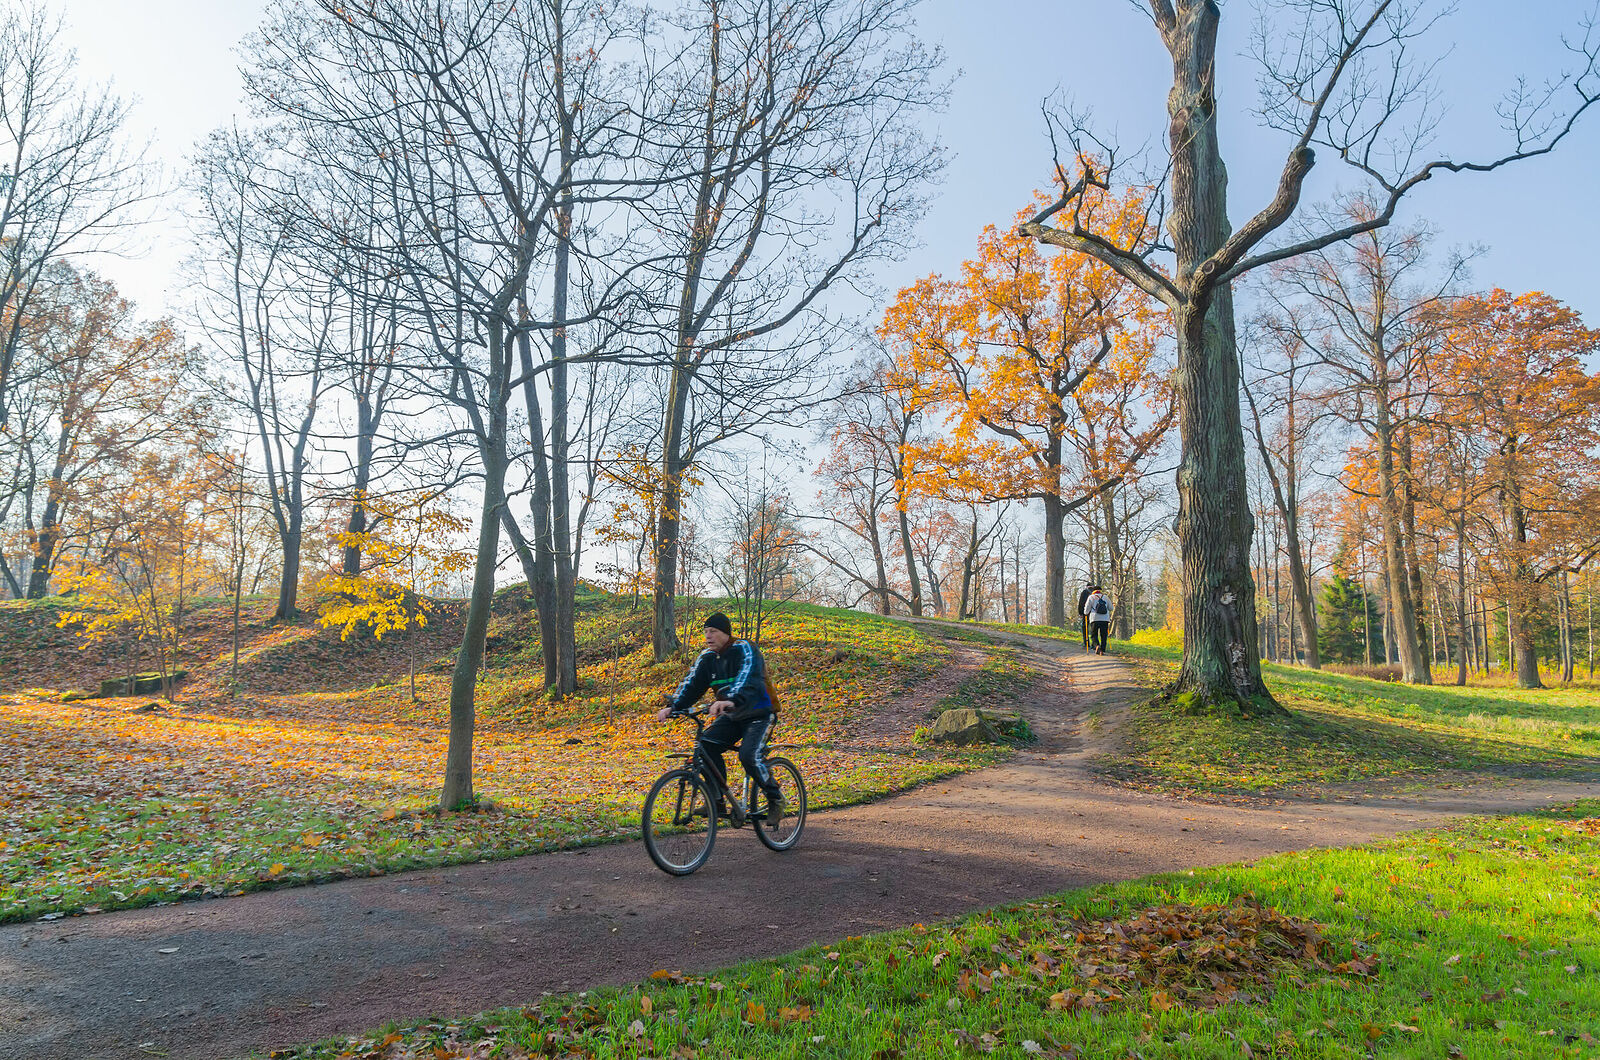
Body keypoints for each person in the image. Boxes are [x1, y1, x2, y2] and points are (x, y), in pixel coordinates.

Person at [655, 612, 784, 822]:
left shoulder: (745, 648)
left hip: (759, 713)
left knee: (748, 756)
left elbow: (748, 677)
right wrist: (674, 707)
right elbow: (692, 684)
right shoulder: (707, 658)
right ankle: (716, 801)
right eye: (706, 632)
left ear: (726, 633)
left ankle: (775, 798)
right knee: (706, 746)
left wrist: (731, 699)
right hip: (732, 716)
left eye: (713, 631)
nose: (708, 636)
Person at [1084, 587, 1112, 655]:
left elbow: (1086, 610)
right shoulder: (1105, 597)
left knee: (1094, 634)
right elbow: (1111, 608)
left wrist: (1086, 613)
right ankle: (1102, 649)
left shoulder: (1091, 597)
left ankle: (1097, 645)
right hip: (1105, 619)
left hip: (1094, 618)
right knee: (1104, 635)